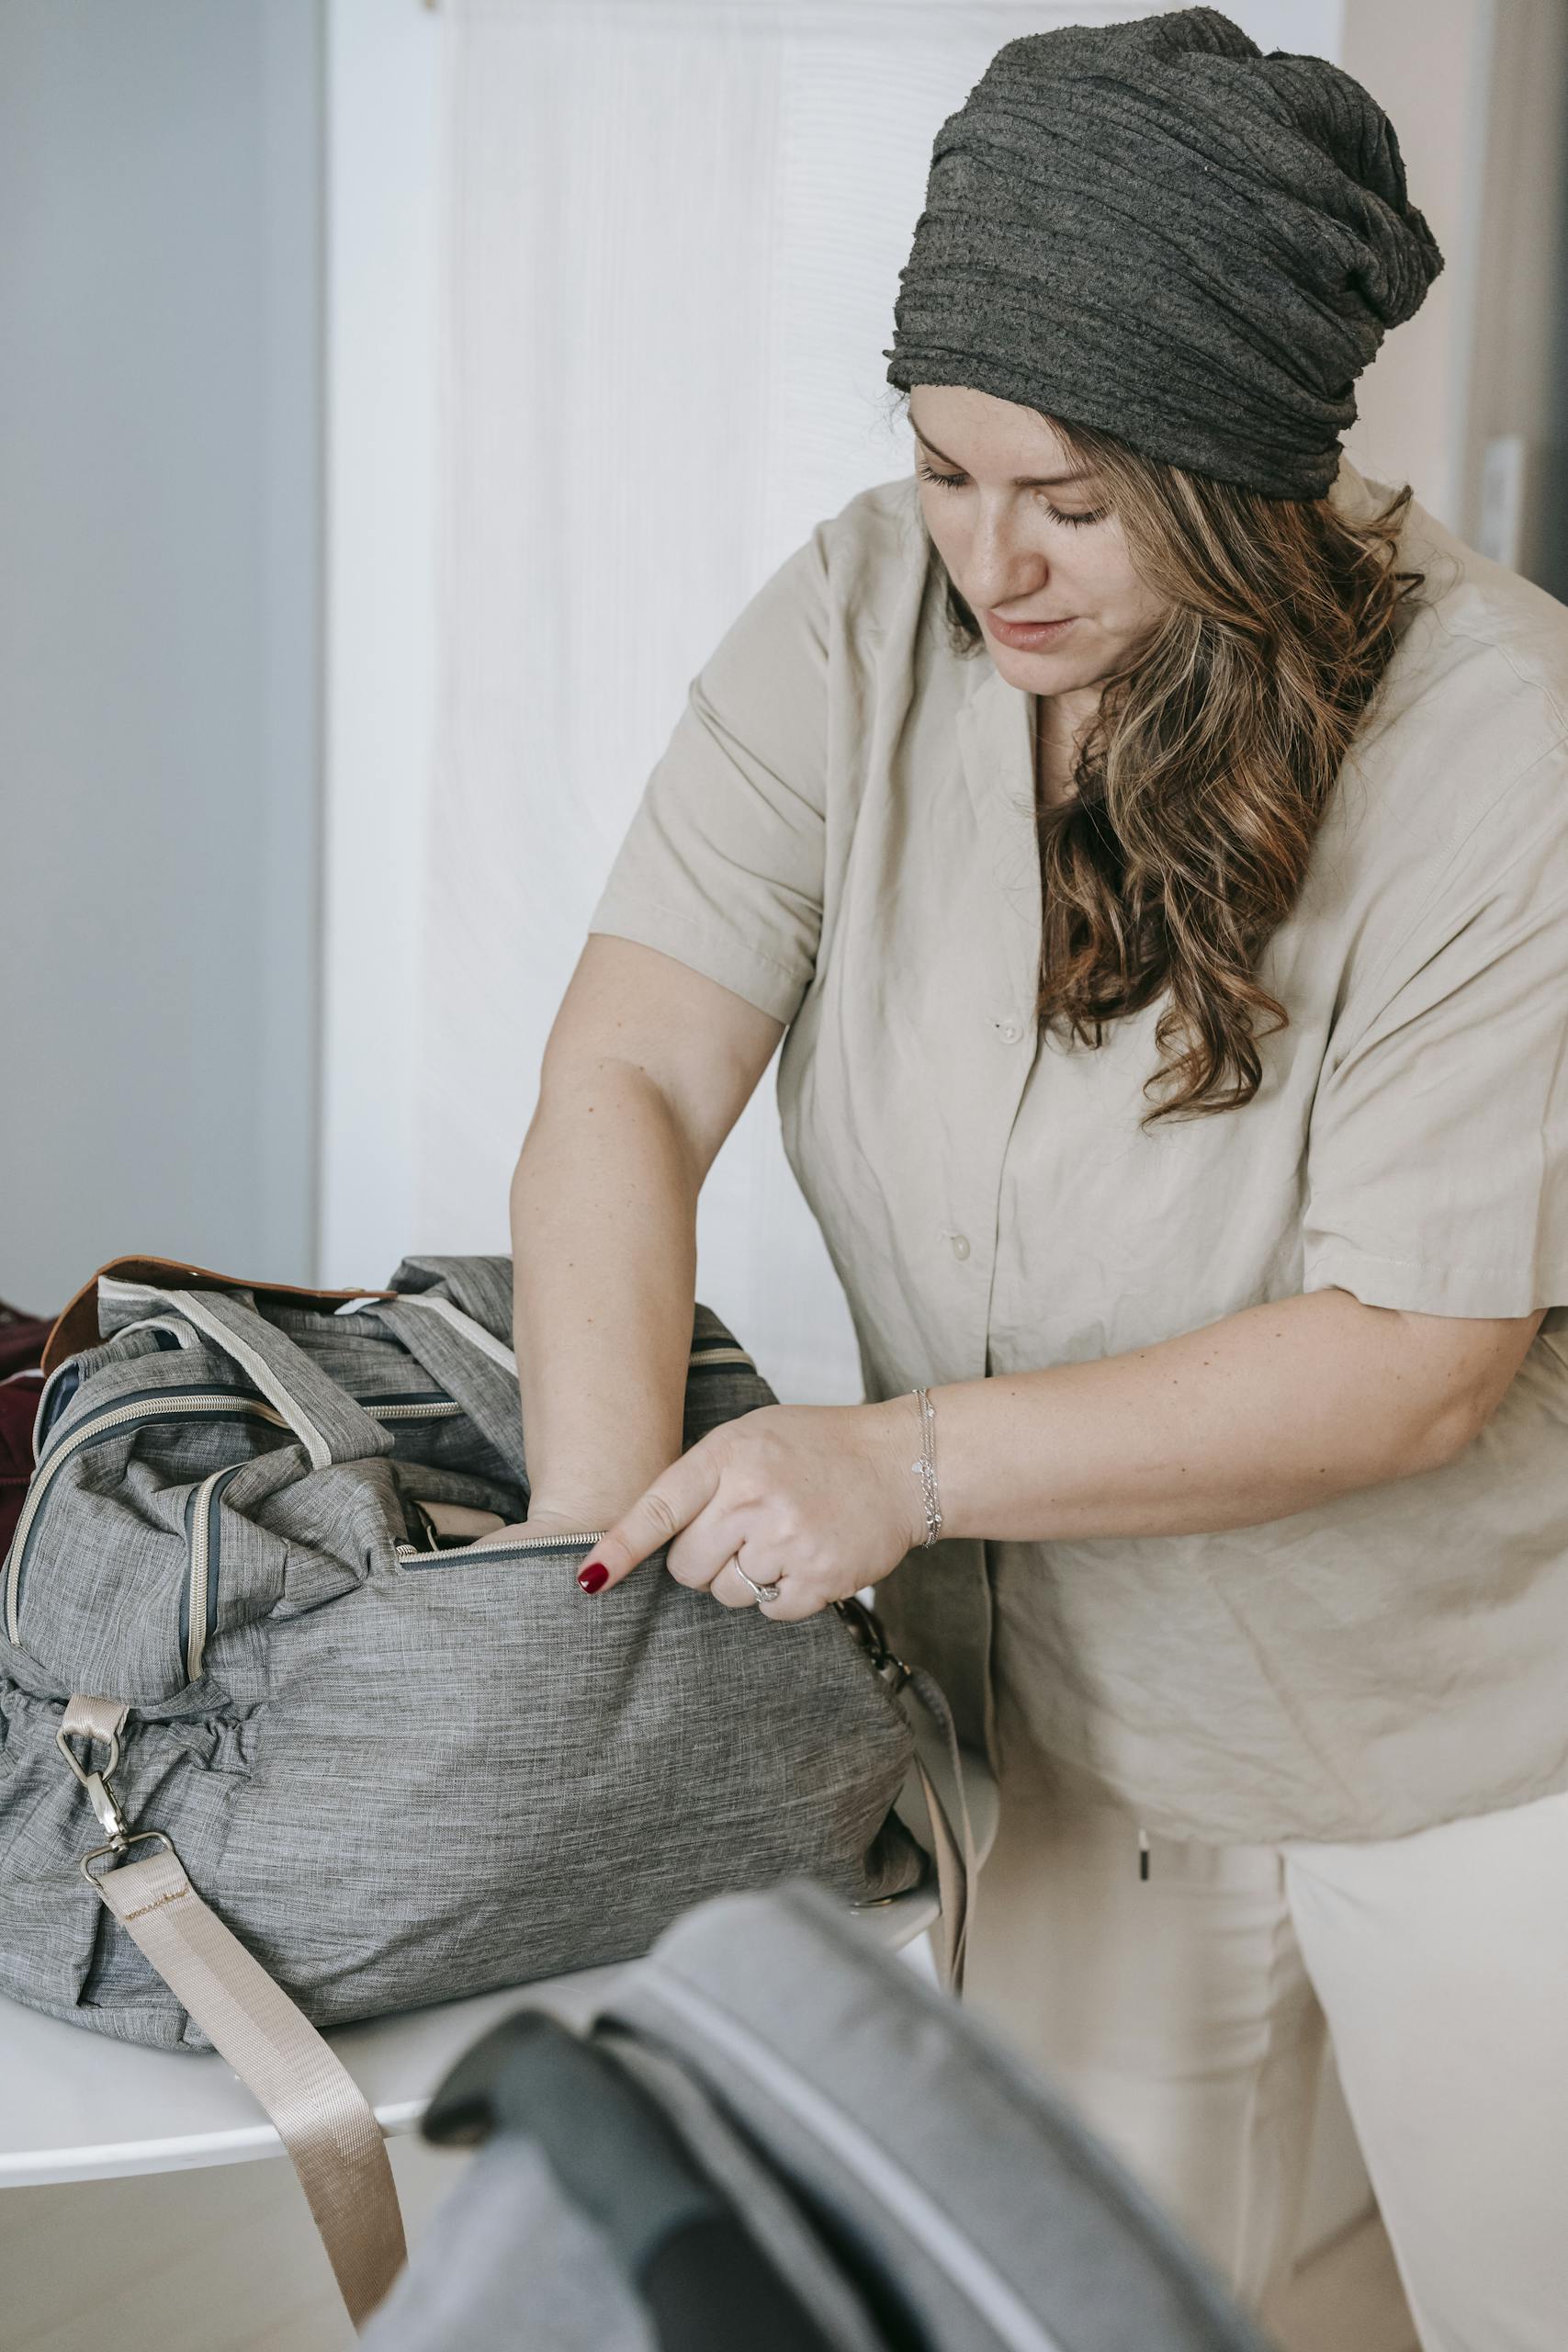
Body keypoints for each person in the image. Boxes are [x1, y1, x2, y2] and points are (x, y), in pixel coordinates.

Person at [488, 12, 1568, 2348]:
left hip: (1484, 1749)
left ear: (1242, 473)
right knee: (1072, 2312)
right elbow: (630, 1074)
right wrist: (600, 1598)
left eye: (1066, 499)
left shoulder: (1506, 743)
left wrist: (901, 1461)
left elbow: (1413, 1362)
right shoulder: (863, 610)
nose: (986, 558)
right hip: (1060, 1745)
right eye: (938, 464)